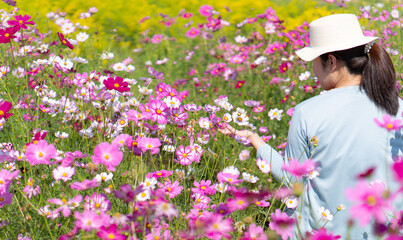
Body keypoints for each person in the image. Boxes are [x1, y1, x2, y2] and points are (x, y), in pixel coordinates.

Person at [219, 14, 403, 239]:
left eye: (314, 60)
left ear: (332, 62)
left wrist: (256, 142)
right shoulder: (396, 107)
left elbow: (292, 180)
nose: (314, 69)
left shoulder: (308, 111)